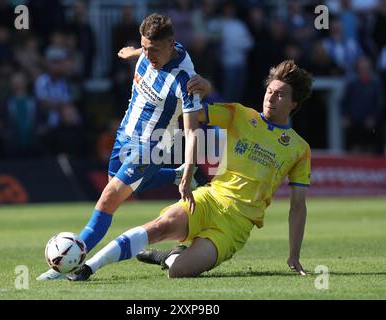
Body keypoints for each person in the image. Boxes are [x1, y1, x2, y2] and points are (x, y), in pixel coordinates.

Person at [68, 59, 313, 281]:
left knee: (179, 272)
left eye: (280, 95)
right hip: (208, 198)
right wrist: (202, 86)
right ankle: (88, 267)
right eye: (269, 91)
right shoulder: (240, 114)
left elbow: (298, 207)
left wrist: (293, 256)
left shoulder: (299, 149)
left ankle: (169, 257)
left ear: (294, 103)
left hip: (237, 224)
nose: (270, 97)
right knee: (159, 226)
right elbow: (191, 112)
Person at [37, 13, 211, 280]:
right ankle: (172, 174)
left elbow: (192, 132)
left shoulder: (185, 80)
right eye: (145, 47)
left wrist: (189, 174)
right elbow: (145, 50)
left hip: (152, 146)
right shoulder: (151, 50)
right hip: (125, 134)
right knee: (117, 184)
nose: (148, 55)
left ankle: (68, 262)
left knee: (108, 199)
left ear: (170, 43)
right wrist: (134, 52)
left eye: (153, 50)